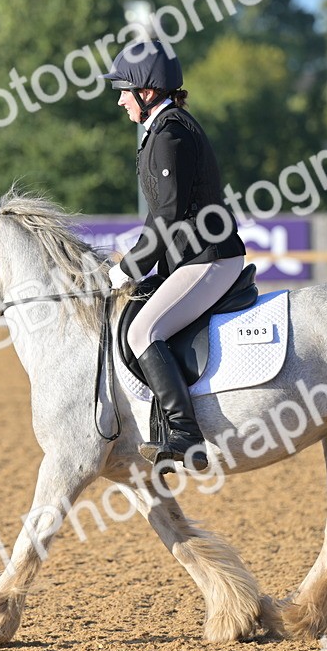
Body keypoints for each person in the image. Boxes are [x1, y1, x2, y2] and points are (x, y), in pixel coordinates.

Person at [102, 40, 246, 471]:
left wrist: (130, 268)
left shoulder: (170, 134)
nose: (120, 100)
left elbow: (167, 215)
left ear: (146, 91)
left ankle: (185, 434)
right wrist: (137, 266)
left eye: (124, 91)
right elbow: (161, 214)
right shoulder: (162, 129)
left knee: (143, 332)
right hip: (190, 257)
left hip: (208, 257)